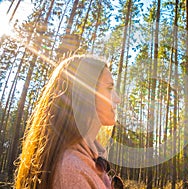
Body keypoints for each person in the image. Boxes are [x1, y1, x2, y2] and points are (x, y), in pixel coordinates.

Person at [14, 55, 122, 189]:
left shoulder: (88, 161)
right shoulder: (73, 170)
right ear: (85, 94)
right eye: (109, 88)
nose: (117, 99)